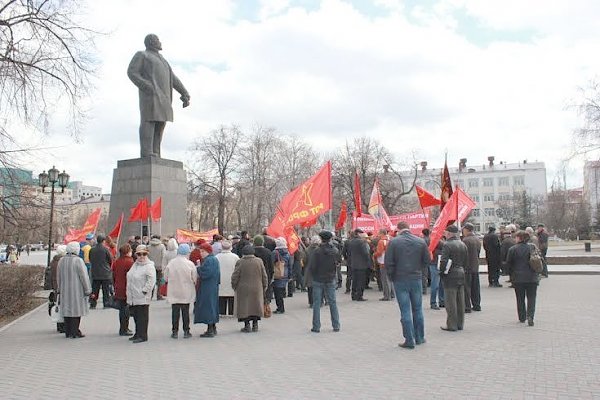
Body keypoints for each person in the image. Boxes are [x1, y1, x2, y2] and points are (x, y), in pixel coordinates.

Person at [128, 33, 190, 158]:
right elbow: (132, 72)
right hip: (150, 95)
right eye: (157, 40)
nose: (160, 42)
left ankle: (156, 152)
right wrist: (146, 85)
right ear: (151, 42)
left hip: (165, 98)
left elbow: (173, 78)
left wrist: (184, 92)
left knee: (160, 124)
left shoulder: (163, 61)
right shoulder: (142, 55)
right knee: (149, 121)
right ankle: (146, 152)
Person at [385, 221, 430, 349]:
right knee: (417, 309)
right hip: (416, 278)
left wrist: (392, 276)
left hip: (400, 279)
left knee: (405, 310)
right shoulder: (420, 241)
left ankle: (409, 339)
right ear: (409, 228)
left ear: (398, 229)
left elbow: (389, 262)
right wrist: (419, 270)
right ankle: (419, 337)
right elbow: (427, 260)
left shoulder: (394, 242)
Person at [57, 242, 92, 339]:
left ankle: (68, 331)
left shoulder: (61, 260)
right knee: (76, 311)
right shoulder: (78, 261)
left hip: (64, 290)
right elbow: (84, 276)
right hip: (77, 290)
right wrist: (87, 289)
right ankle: (75, 331)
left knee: (67, 311)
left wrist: (59, 288)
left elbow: (58, 276)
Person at [506, 230, 540, 326]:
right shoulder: (532, 247)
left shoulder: (512, 249)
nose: (515, 238)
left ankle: (522, 317)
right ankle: (530, 316)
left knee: (520, 298)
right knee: (532, 298)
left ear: (519, 238)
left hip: (518, 278)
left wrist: (511, 275)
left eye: (516, 237)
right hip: (532, 277)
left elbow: (509, 264)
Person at [231, 245, 268, 333]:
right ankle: (255, 325)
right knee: (255, 306)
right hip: (257, 287)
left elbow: (235, 276)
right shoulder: (259, 261)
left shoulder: (240, 262)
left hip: (243, 288)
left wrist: (234, 285)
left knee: (245, 307)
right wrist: (264, 286)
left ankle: (247, 325)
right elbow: (264, 275)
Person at [310, 230, 341, 333]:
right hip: (330, 278)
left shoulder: (317, 251)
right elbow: (338, 262)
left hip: (318, 279)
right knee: (333, 302)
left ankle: (316, 326)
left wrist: (314, 275)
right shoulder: (335, 250)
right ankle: (336, 325)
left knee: (317, 303)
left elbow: (312, 266)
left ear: (321, 239)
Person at [164, 244, 197, 338]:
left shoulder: (171, 263)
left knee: (175, 312)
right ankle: (186, 331)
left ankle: (174, 332)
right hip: (186, 291)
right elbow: (194, 278)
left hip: (174, 291)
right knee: (185, 312)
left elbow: (165, 278)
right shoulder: (190, 263)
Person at [439, 225, 467, 332]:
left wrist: (441, 272)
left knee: (450, 301)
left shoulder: (447, 245)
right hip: (460, 272)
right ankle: (460, 323)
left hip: (450, 274)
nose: (445, 234)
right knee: (460, 300)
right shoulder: (462, 244)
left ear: (449, 233)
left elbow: (443, 261)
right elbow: (465, 260)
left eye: (446, 232)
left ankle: (452, 324)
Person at [126, 244, 156, 343]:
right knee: (136, 316)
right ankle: (137, 333)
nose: (141, 256)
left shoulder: (149, 266)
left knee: (142, 317)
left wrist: (144, 291)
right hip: (133, 295)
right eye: (139, 254)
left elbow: (151, 281)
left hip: (142, 296)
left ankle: (143, 335)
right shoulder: (135, 264)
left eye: (144, 254)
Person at [194, 242, 220, 338]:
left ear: (207, 251)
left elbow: (206, 273)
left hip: (208, 287)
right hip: (212, 286)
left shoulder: (210, 260)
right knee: (212, 306)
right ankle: (213, 327)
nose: (201, 253)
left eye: (202, 251)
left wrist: (198, 268)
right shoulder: (213, 259)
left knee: (209, 307)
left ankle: (210, 329)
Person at [112, 244, 134, 336]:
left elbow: (113, 275)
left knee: (121, 309)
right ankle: (125, 328)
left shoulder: (117, 262)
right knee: (126, 309)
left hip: (118, 287)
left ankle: (122, 327)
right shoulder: (130, 262)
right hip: (127, 288)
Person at [346, 229, 372, 301]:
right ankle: (359, 296)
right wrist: (368, 261)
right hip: (362, 264)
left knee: (355, 280)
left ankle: (353, 295)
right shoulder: (362, 242)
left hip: (353, 263)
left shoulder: (351, 241)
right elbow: (366, 253)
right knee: (361, 280)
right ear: (359, 234)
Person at [89, 235, 114, 309]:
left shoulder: (92, 249)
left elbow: (90, 259)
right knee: (105, 290)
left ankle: (93, 303)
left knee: (94, 290)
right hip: (105, 273)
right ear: (103, 241)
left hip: (95, 272)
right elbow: (110, 259)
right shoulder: (106, 249)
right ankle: (106, 303)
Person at [215, 240, 239, 316]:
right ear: (230, 247)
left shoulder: (217, 257)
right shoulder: (235, 257)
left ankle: (222, 312)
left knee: (221, 296)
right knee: (232, 296)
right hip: (232, 280)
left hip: (221, 280)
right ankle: (232, 312)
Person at [462, 223, 482, 312]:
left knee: (467, 288)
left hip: (467, 267)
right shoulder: (477, 239)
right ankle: (477, 305)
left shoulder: (465, 240)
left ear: (466, 230)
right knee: (476, 287)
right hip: (475, 266)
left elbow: (463, 254)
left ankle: (467, 306)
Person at [271, 237, 292, 314]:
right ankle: (280, 307)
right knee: (280, 290)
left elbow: (271, 263)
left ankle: (280, 308)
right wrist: (290, 275)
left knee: (277, 292)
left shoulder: (275, 253)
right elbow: (290, 265)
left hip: (277, 274)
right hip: (285, 274)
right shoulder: (288, 253)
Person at [50, 244, 67, 333]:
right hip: (61, 286)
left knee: (58, 305)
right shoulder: (61, 262)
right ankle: (62, 325)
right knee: (61, 306)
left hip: (55, 286)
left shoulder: (53, 261)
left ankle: (59, 325)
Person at [374, 229, 394, 301]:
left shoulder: (381, 241)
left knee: (385, 280)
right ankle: (392, 294)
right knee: (390, 279)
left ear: (381, 233)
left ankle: (387, 296)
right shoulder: (391, 240)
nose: (378, 235)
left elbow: (379, 252)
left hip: (383, 262)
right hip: (391, 261)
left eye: (379, 233)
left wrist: (374, 255)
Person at [252, 235, 274, 303]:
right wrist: (271, 276)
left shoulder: (252, 252)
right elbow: (271, 266)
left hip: (254, 276)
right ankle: (265, 308)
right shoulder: (268, 252)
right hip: (266, 275)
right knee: (266, 294)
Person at [303, 235, 321, 307]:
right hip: (319, 270)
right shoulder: (320, 249)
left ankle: (311, 302)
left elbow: (304, 260)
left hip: (309, 270)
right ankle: (319, 301)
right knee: (319, 286)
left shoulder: (307, 249)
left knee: (310, 287)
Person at [148, 234, 166, 300]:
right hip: (159, 266)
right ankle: (159, 295)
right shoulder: (162, 246)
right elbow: (164, 256)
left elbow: (147, 256)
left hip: (151, 266)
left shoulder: (148, 247)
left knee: (151, 281)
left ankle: (150, 295)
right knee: (159, 282)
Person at [429, 238, 445, 309]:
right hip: (435, 264)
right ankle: (433, 302)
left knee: (440, 284)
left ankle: (441, 301)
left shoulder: (437, 240)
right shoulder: (435, 240)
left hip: (437, 264)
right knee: (435, 285)